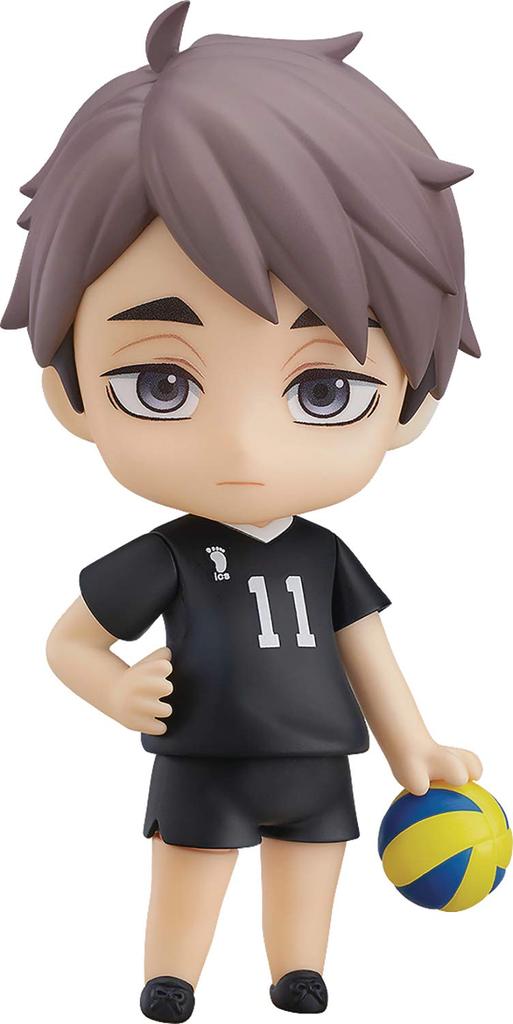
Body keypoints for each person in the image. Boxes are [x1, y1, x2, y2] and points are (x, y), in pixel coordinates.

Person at [2, 4, 483, 1020]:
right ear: (70, 393)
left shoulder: (326, 554)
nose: (243, 449)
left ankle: (298, 969)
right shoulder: (168, 554)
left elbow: (369, 656)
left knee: (312, 860)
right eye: (162, 385)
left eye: (324, 390)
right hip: (202, 753)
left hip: (315, 753)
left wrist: (415, 753)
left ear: (410, 405)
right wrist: (116, 688)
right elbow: (67, 642)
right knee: (189, 860)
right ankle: (170, 975)